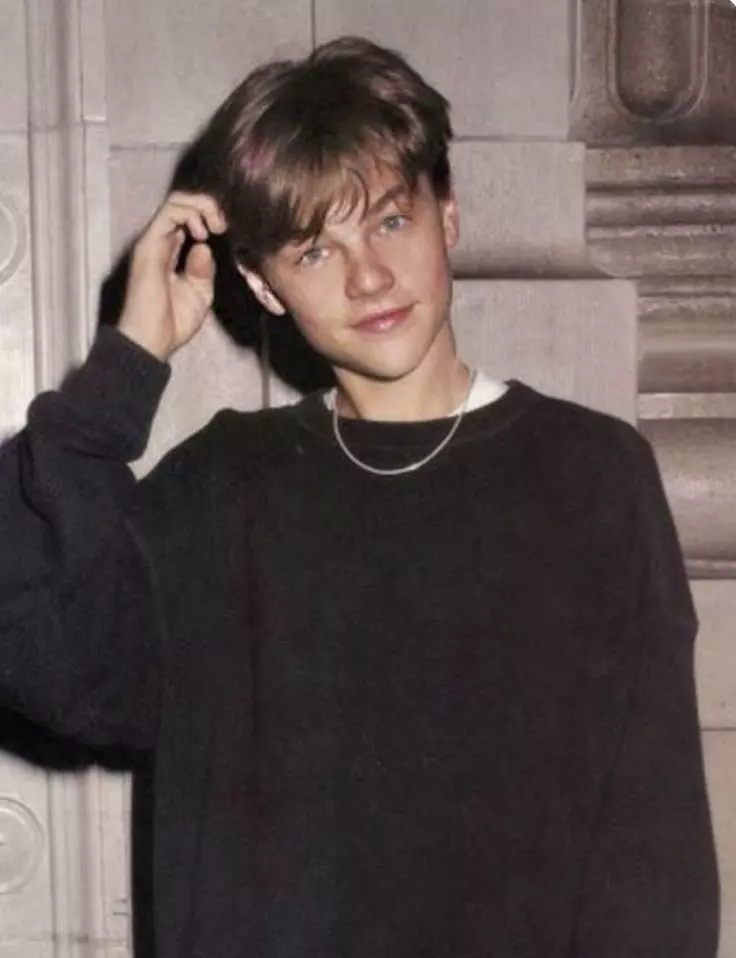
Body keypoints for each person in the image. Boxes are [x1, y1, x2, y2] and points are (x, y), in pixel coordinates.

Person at [0, 36, 719, 958]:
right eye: (314, 250)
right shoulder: (223, 490)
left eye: (389, 220)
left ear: (447, 214)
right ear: (261, 285)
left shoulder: (591, 476)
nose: (367, 277)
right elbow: (40, 649)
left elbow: (655, 852)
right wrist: (125, 367)